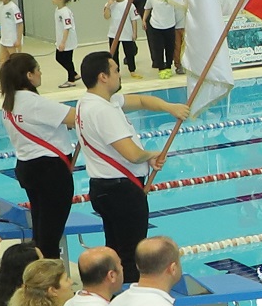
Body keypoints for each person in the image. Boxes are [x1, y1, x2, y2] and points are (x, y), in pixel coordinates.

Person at [74, 52, 192, 255]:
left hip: (103, 188)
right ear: (103, 77)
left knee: (116, 251)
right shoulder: (103, 110)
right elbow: (133, 154)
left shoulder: (88, 102)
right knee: (131, 255)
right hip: (121, 192)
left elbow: (140, 101)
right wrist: (151, 154)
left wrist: (169, 107)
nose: (119, 75)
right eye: (116, 71)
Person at [0, 52, 77, 255]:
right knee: (51, 235)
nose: (40, 73)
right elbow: (77, 117)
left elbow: (38, 126)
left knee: (41, 229)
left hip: (28, 167)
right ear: (29, 75)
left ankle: (38, 266)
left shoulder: (9, 102)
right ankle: (47, 271)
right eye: (38, 70)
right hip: (50, 171)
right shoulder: (34, 103)